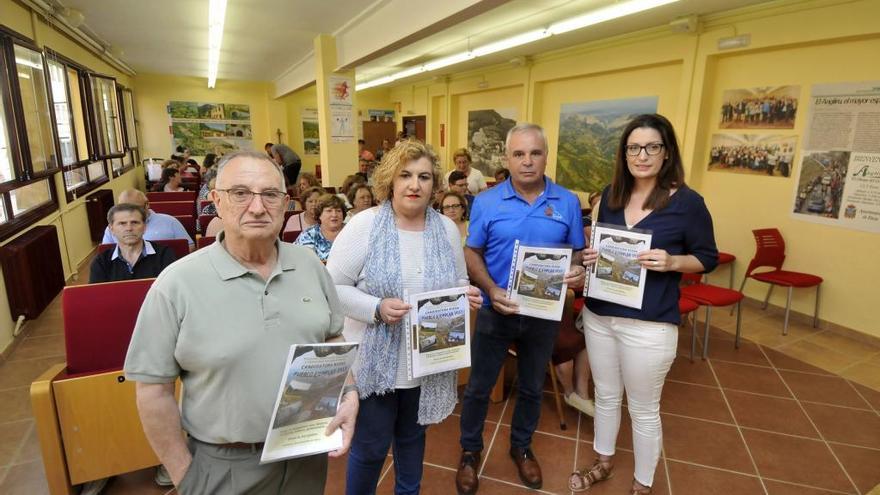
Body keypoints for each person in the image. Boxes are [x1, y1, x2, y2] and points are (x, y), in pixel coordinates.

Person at [124, 150, 358, 495]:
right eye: (240, 193)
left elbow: (332, 337)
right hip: (225, 467)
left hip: (306, 454)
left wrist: (349, 392)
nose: (257, 207)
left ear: (285, 202)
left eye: (270, 194)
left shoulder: (310, 266)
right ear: (216, 201)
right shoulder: (176, 284)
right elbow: (152, 390)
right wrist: (186, 476)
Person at [569, 114, 717, 495]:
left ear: (666, 152)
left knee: (644, 410)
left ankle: (642, 484)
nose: (642, 155)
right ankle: (603, 462)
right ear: (624, 153)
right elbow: (600, 250)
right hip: (601, 316)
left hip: (649, 326)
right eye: (634, 147)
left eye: (652, 147)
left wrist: (672, 262)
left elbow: (706, 257)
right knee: (605, 396)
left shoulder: (688, 203)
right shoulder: (612, 195)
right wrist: (591, 258)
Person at [326, 139, 481, 495]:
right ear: (390, 181)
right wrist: (375, 309)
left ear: (434, 184)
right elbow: (331, 288)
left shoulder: (444, 229)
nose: (415, 184)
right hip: (374, 365)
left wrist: (465, 296)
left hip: (426, 362)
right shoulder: (364, 225)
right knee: (370, 449)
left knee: (412, 442)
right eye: (406, 175)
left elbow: (458, 281)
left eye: (424, 177)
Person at [456, 123, 586, 494]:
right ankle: (469, 451)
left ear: (546, 155)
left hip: (544, 313)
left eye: (535, 153)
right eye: (519, 154)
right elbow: (472, 252)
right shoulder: (486, 202)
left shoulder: (567, 202)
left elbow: (576, 250)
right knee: (479, 387)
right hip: (498, 311)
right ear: (507, 159)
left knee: (531, 387)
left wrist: (576, 268)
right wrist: (491, 288)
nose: (527, 162)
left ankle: (521, 446)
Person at [89, 203, 177, 283]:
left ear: (144, 227)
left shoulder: (165, 255)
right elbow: (96, 297)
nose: (129, 228)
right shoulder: (101, 262)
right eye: (122, 223)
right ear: (111, 229)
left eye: (135, 222)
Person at [101, 190, 193, 247]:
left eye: (136, 208)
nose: (130, 214)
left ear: (147, 205)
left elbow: (190, 246)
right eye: (124, 209)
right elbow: (106, 253)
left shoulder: (169, 221)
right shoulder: (112, 228)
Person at [294, 194, 345, 262]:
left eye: (338, 211)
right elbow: (303, 263)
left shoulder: (352, 231)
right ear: (319, 214)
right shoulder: (308, 235)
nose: (334, 214)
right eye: (329, 211)